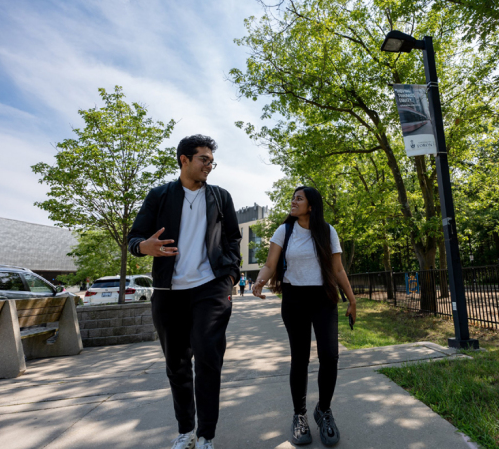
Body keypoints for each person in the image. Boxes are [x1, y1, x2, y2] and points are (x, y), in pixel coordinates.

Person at [128, 134, 241, 449]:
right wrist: (145, 247)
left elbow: (233, 237)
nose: (209, 166)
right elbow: (134, 238)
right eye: (204, 159)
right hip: (169, 291)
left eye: (211, 160)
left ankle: (206, 435)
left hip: (211, 287)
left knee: (208, 356)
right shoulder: (159, 196)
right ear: (184, 160)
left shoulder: (220, 197)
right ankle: (185, 431)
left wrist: (231, 274)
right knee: (176, 364)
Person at [252, 186, 356, 447]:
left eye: (299, 199)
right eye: (293, 198)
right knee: (299, 359)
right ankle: (299, 416)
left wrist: (352, 300)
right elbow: (269, 264)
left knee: (330, 356)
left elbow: (338, 269)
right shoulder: (284, 230)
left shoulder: (327, 231)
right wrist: (260, 281)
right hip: (294, 300)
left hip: (324, 299)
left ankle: (324, 410)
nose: (293, 202)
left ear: (312, 206)